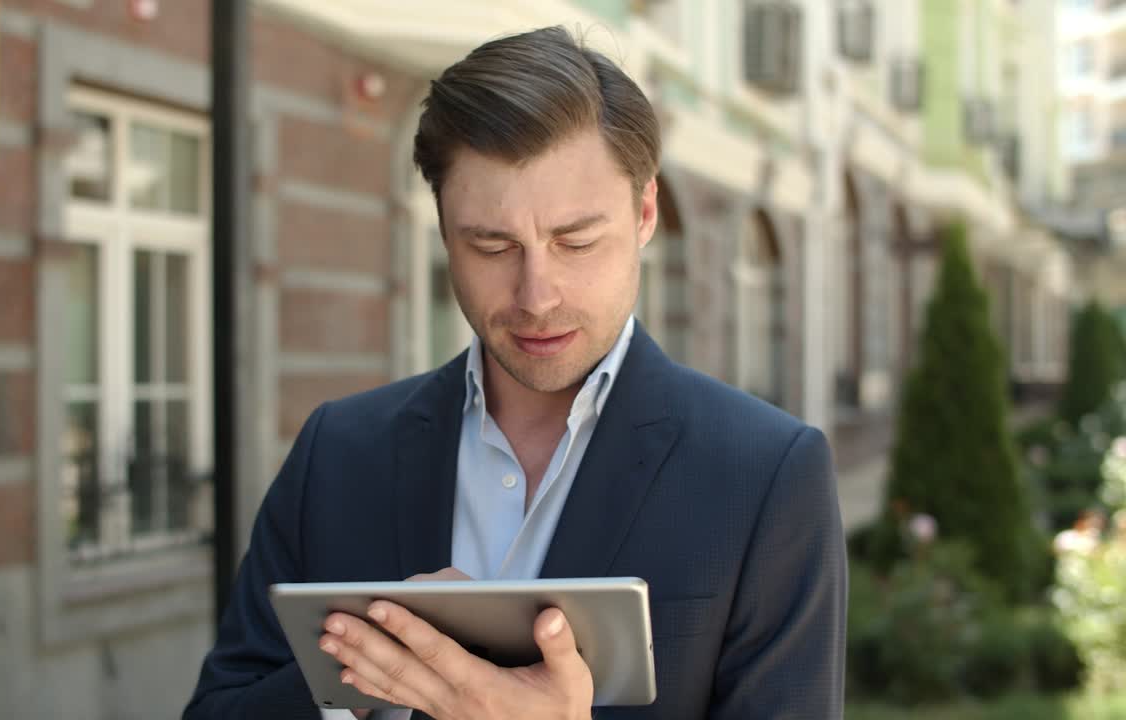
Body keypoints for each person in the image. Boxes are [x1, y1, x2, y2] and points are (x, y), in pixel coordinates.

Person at [184, 26, 846, 720]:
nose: (537, 295)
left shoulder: (765, 475)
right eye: (492, 245)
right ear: (443, 230)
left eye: (577, 241)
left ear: (644, 212)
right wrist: (371, 669)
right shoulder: (338, 451)